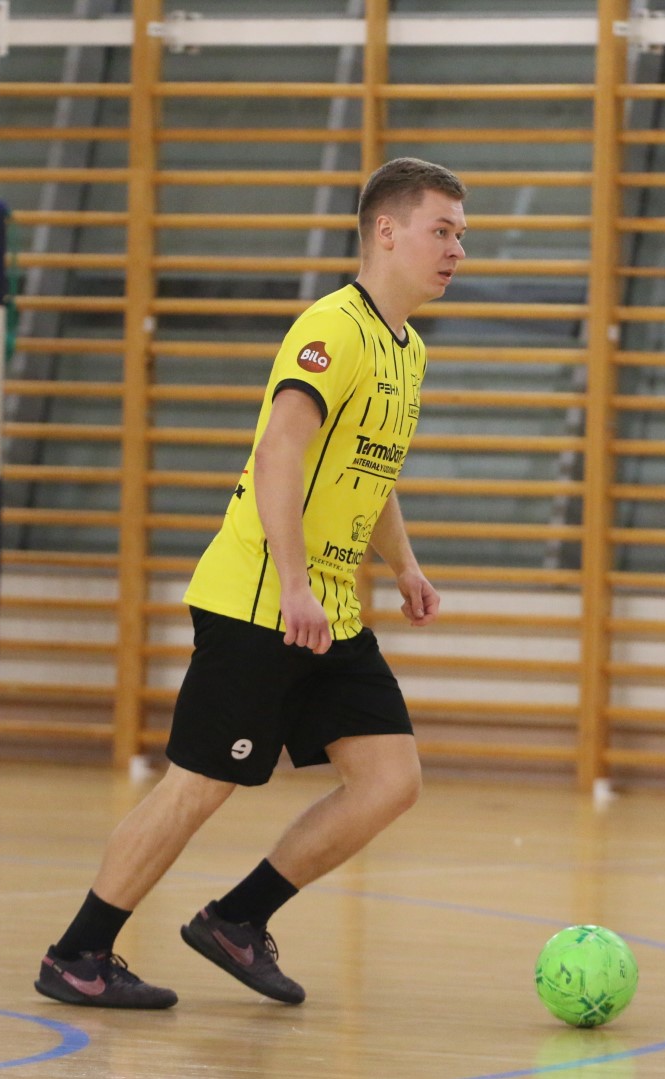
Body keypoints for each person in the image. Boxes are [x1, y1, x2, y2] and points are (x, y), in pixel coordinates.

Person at [33, 157, 468, 1009]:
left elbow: (368, 471)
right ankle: (76, 955)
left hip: (329, 610)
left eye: (461, 235)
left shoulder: (407, 349)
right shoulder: (332, 328)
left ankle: (236, 921)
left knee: (390, 779)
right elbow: (280, 452)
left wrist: (404, 566)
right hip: (264, 602)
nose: (458, 250)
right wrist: (295, 585)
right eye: (442, 231)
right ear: (386, 231)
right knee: (201, 784)